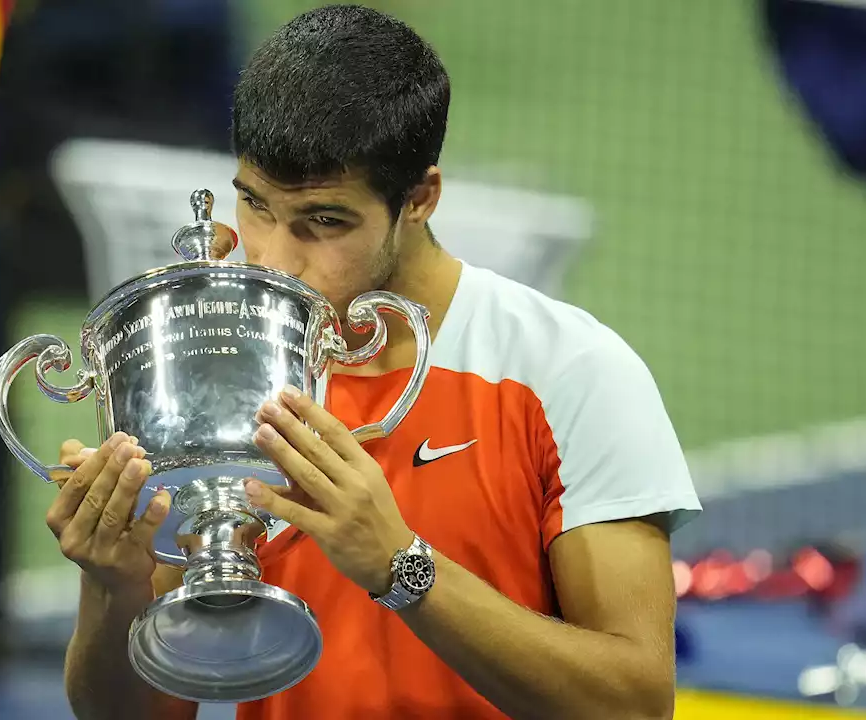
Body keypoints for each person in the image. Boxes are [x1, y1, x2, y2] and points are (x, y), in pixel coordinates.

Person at [45, 5, 702, 719]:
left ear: (420, 198)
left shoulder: (569, 371)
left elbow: (636, 707)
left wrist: (403, 568)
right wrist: (115, 590)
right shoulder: (214, 364)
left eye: (324, 222)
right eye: (256, 205)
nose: (277, 260)